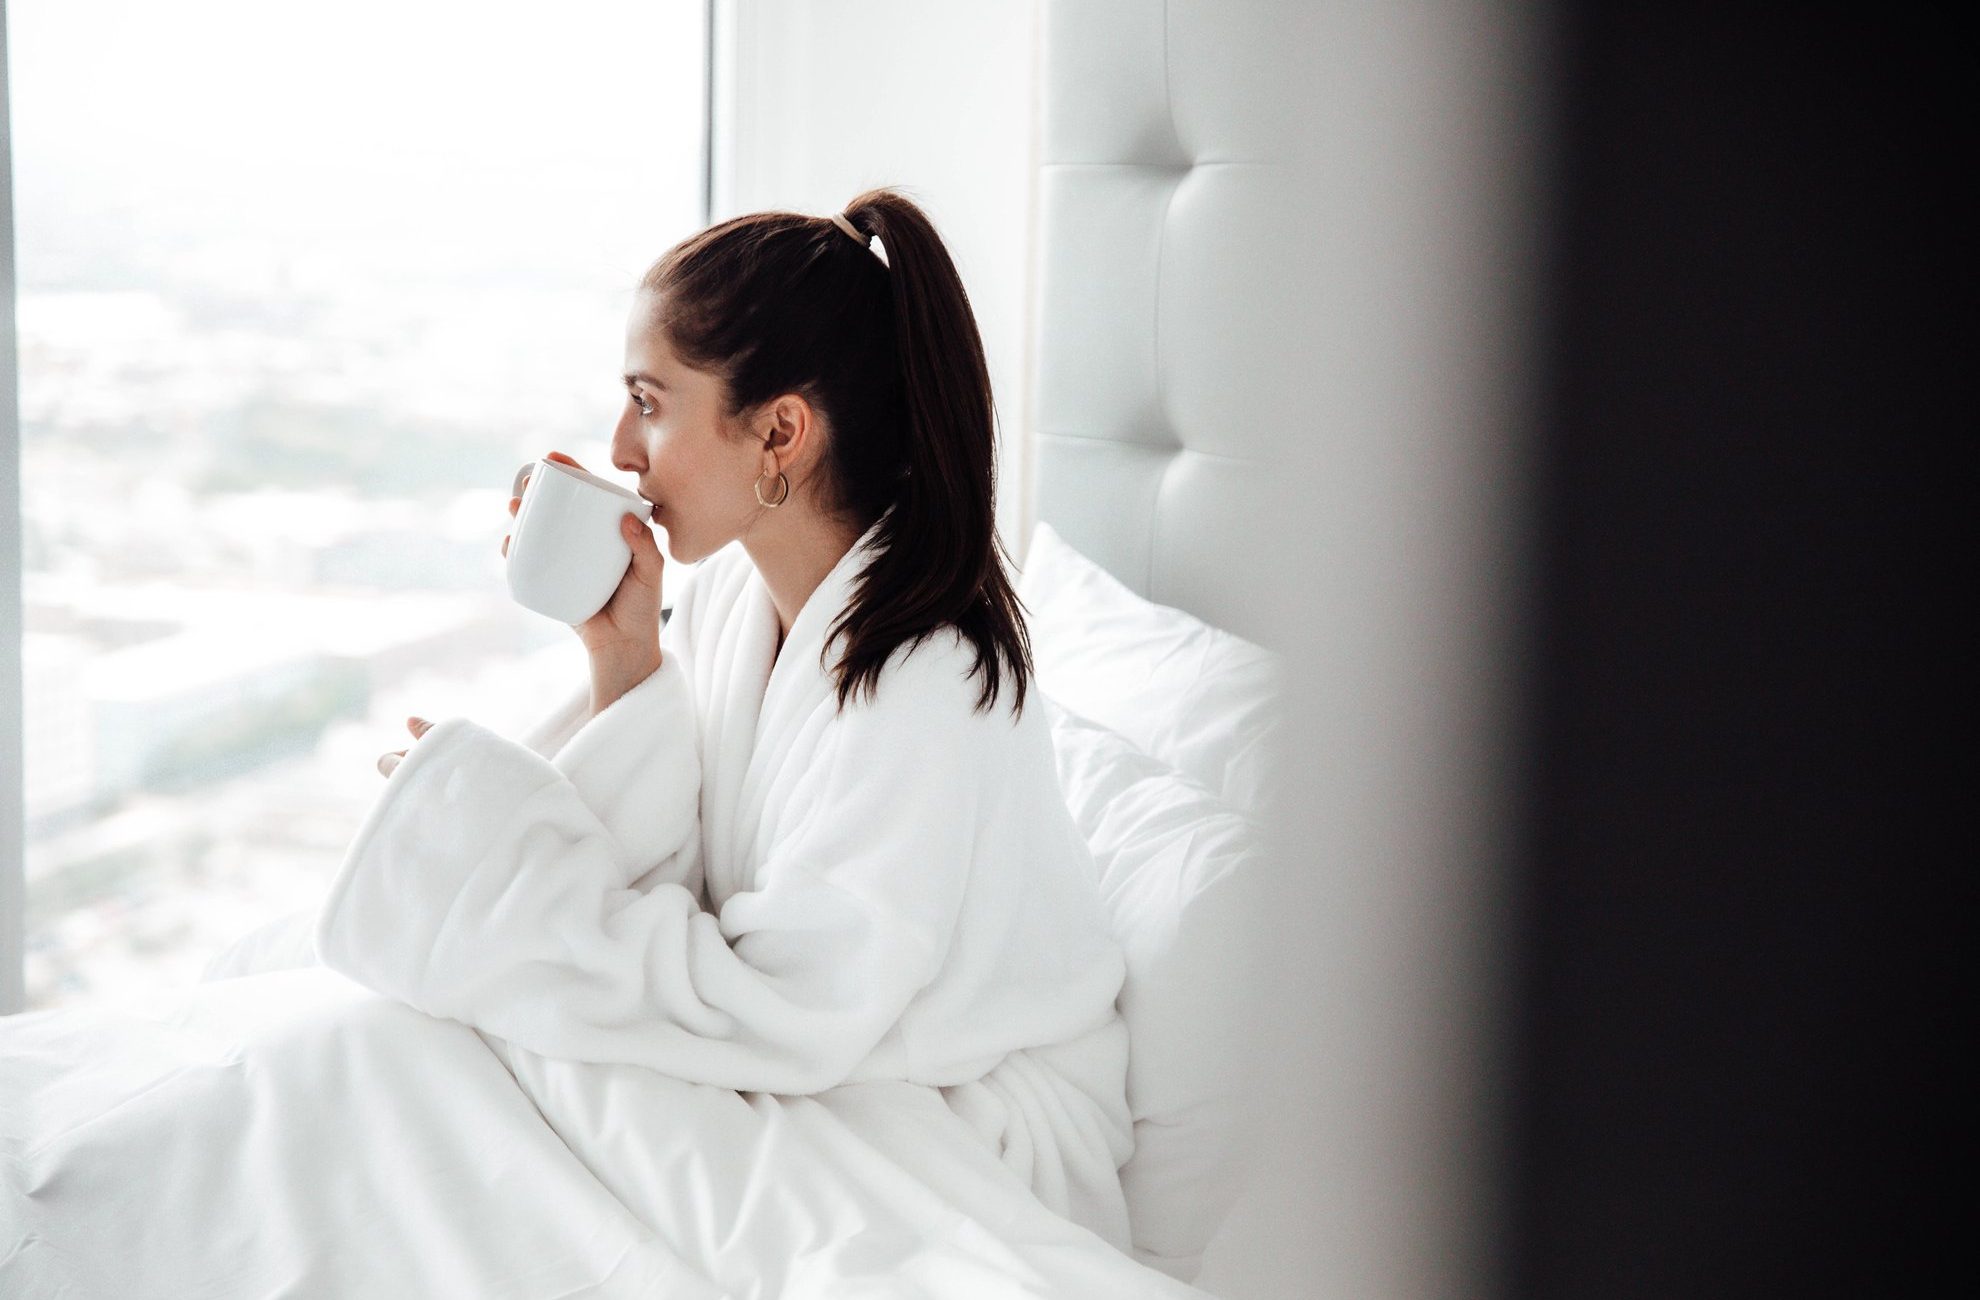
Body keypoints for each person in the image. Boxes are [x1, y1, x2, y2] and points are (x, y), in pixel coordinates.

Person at [341, 188, 1138, 1250]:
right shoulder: (728, 597)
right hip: (818, 1050)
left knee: (530, 1066)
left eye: (651, 401)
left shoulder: (928, 679)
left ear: (780, 433)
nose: (622, 446)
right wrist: (622, 653)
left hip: (975, 1118)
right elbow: (683, 895)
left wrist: (497, 887)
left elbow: (791, 1009)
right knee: (476, 1058)